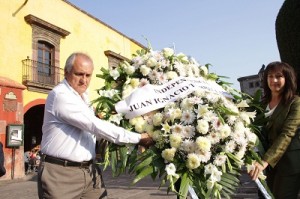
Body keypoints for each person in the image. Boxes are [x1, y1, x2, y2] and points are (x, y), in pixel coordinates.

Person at [37, 52, 153, 199]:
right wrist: (138, 138)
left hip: (90, 171)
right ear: (66, 72)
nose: (83, 80)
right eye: (79, 74)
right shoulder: (60, 95)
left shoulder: (85, 97)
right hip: (61, 175)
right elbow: (94, 125)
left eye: (88, 75)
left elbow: (94, 131)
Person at [248, 61, 300, 199]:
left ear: (287, 79)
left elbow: (287, 134)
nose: (274, 80)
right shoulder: (261, 104)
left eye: (278, 76)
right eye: (270, 76)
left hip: (288, 164)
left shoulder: (295, 103)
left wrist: (265, 161)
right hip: (265, 166)